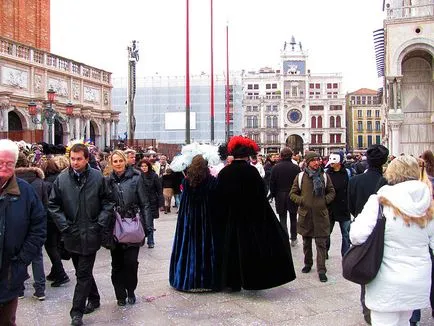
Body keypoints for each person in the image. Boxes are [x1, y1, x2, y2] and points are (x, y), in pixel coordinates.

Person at [350, 155, 434, 326]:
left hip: (386, 279)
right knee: (405, 321)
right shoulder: (427, 204)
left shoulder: (379, 201)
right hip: (417, 278)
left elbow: (357, 236)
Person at [216, 136, 296, 291]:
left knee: (231, 248)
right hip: (249, 217)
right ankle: (251, 280)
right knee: (249, 249)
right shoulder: (251, 171)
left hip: (230, 218)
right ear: (247, 156)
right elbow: (261, 193)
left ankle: (232, 282)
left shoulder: (225, 172)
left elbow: (219, 196)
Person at [48, 143, 114, 326]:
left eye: (79, 159)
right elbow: (53, 205)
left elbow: (108, 202)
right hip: (72, 234)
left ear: (86, 159)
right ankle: (94, 297)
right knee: (81, 271)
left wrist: (99, 223)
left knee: (83, 274)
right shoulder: (62, 179)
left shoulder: (97, 177)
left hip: (91, 233)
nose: (75, 162)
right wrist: (64, 226)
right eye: (73, 159)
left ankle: (76, 312)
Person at [0, 139, 46, 326]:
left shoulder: (25, 192)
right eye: (0, 162)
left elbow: (39, 227)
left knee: (7, 320)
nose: (4, 167)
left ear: (16, 164)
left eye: (9, 163)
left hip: (11, 269)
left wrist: (22, 259)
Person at [348, 144, 389, 325]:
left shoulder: (355, 181)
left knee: (366, 267)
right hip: (385, 231)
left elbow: (350, 206)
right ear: (384, 161)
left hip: (362, 231)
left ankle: (367, 308)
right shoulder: (388, 182)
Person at [105, 150, 151, 306]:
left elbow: (145, 203)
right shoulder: (107, 181)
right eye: (115, 161)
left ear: (125, 161)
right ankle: (120, 294)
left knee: (131, 262)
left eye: (120, 161)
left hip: (132, 223)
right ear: (111, 163)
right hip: (114, 225)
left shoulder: (136, 178)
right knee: (116, 263)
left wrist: (148, 227)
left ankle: (130, 289)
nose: (118, 164)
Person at [169, 155, 219, 291]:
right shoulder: (212, 181)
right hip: (207, 220)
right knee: (207, 247)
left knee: (188, 246)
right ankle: (207, 281)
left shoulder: (187, 181)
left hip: (190, 219)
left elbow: (184, 202)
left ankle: (188, 279)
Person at [289, 151, 336, 283]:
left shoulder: (325, 176)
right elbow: (292, 193)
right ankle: (308, 263)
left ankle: (321, 270)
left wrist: (324, 200)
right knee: (306, 243)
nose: (317, 162)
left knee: (321, 243)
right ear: (308, 162)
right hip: (306, 215)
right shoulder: (300, 177)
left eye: (318, 160)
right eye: (314, 160)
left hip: (321, 215)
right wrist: (302, 200)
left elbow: (332, 191)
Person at [14, 153, 48, 301]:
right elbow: (46, 205)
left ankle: (19, 289)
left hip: (17, 225)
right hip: (36, 224)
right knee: (37, 256)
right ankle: (40, 290)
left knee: (17, 256)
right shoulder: (39, 181)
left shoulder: (11, 182)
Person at [43, 156, 70, 287]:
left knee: (51, 246)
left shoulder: (47, 183)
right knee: (56, 245)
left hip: (51, 219)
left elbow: (49, 203)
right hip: (61, 217)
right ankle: (55, 272)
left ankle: (61, 273)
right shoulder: (62, 179)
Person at [269, 147, 300, 246]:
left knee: (282, 218)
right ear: (291, 156)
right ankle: (294, 237)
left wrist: (272, 195)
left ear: (281, 156)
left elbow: (272, 183)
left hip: (280, 195)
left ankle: (285, 237)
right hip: (293, 195)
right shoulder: (296, 168)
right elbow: (299, 183)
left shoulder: (275, 168)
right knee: (293, 217)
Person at [325, 152, 351, 258]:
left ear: (339, 163)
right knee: (327, 232)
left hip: (344, 207)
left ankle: (346, 254)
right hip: (330, 207)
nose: (331, 164)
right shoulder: (326, 173)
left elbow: (351, 188)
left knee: (346, 233)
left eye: (333, 162)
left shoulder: (348, 173)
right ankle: (325, 252)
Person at [139, 158, 163, 248]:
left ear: (148, 167)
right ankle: (140, 239)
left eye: (145, 166)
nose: (144, 168)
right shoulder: (138, 176)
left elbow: (159, 190)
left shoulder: (154, 176)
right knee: (141, 221)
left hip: (151, 202)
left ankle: (150, 241)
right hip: (140, 201)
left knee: (150, 222)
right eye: (142, 166)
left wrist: (161, 203)